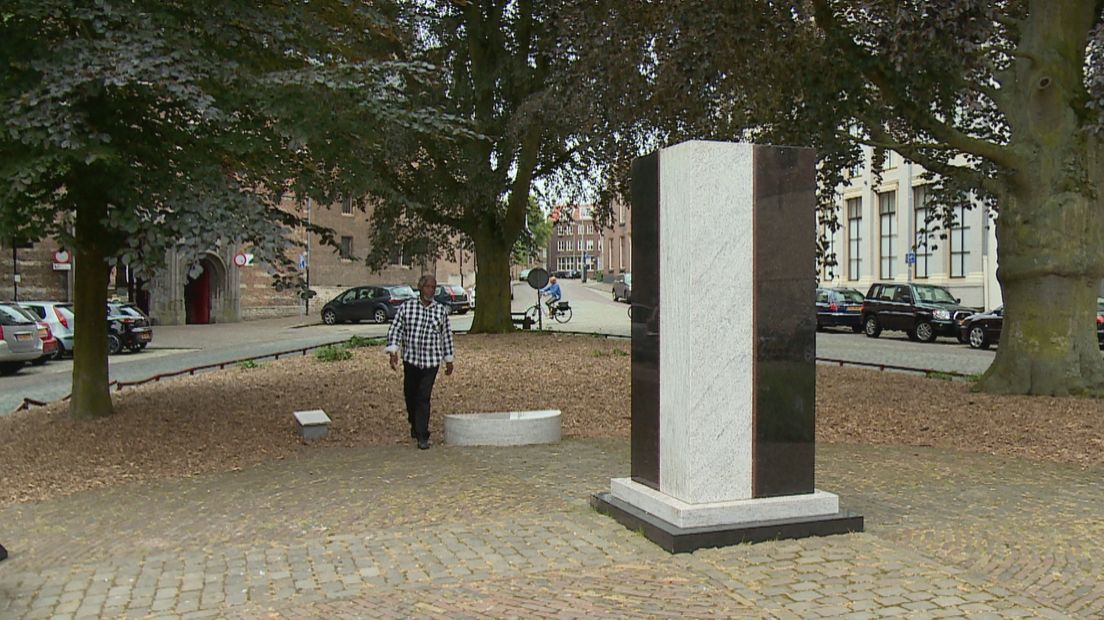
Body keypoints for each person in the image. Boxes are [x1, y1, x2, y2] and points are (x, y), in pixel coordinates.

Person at [385, 274, 455, 450]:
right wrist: (393, 350)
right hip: (412, 358)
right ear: (421, 288)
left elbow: (446, 335)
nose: (430, 290)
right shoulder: (407, 307)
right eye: (427, 287)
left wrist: (449, 359)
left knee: (424, 397)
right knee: (411, 394)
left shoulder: (440, 311)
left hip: (431, 361)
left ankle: (422, 434)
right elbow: (396, 329)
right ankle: (414, 423)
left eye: (433, 287)